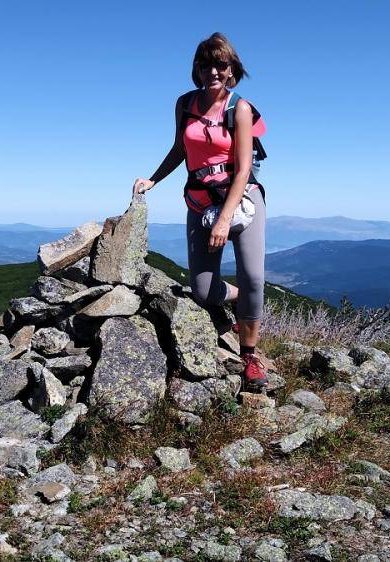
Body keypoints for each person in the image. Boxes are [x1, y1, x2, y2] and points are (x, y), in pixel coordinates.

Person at [132, 32, 268, 389]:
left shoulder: (240, 109)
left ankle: (250, 354)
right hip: (200, 201)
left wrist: (224, 219)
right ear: (197, 70)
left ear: (232, 69)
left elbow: (243, 170)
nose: (213, 72)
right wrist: (153, 179)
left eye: (221, 65)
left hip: (243, 199)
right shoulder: (185, 104)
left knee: (253, 277)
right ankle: (239, 300)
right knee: (204, 292)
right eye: (206, 65)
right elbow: (180, 149)